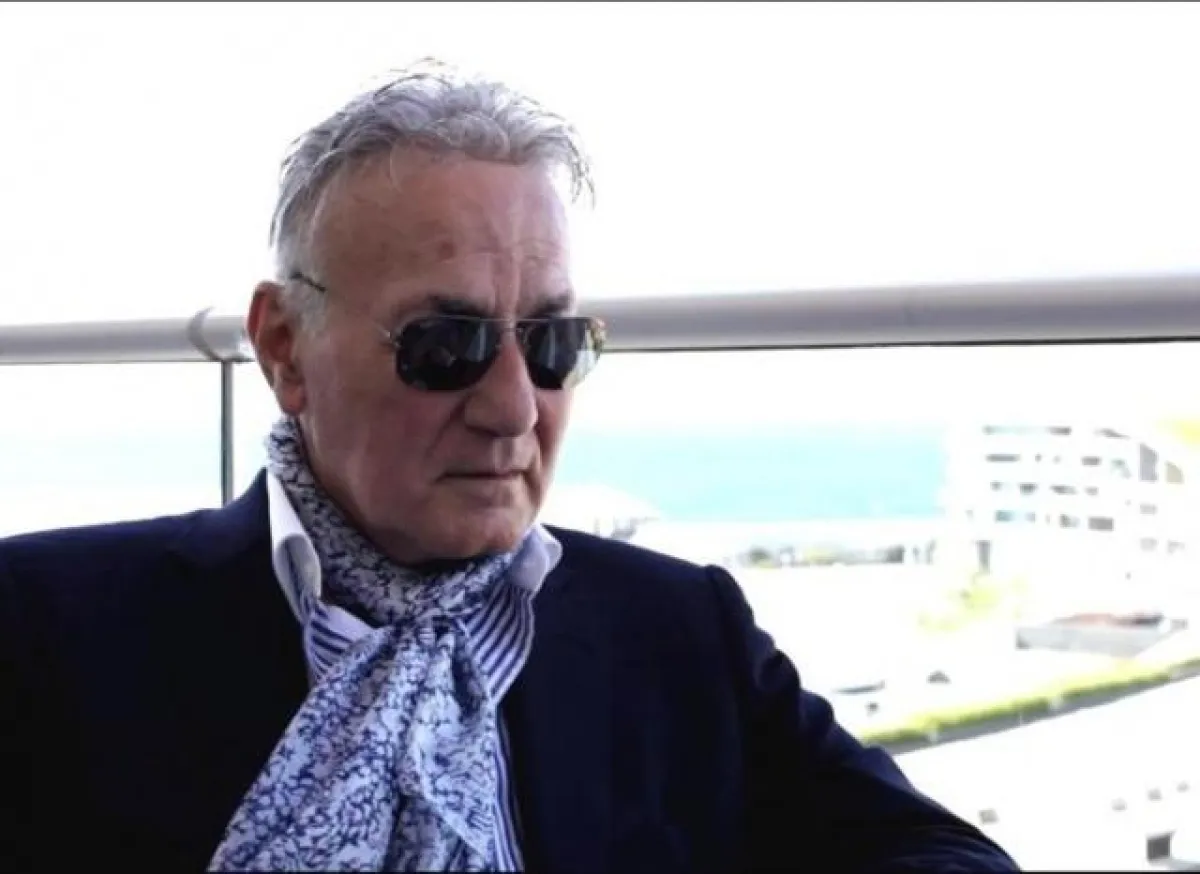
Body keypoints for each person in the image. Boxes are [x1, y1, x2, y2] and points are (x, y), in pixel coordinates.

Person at [0, 61, 1019, 873]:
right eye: (445, 343)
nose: (515, 408)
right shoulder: (46, 630)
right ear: (284, 350)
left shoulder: (680, 632)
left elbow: (945, 856)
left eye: (552, 343)